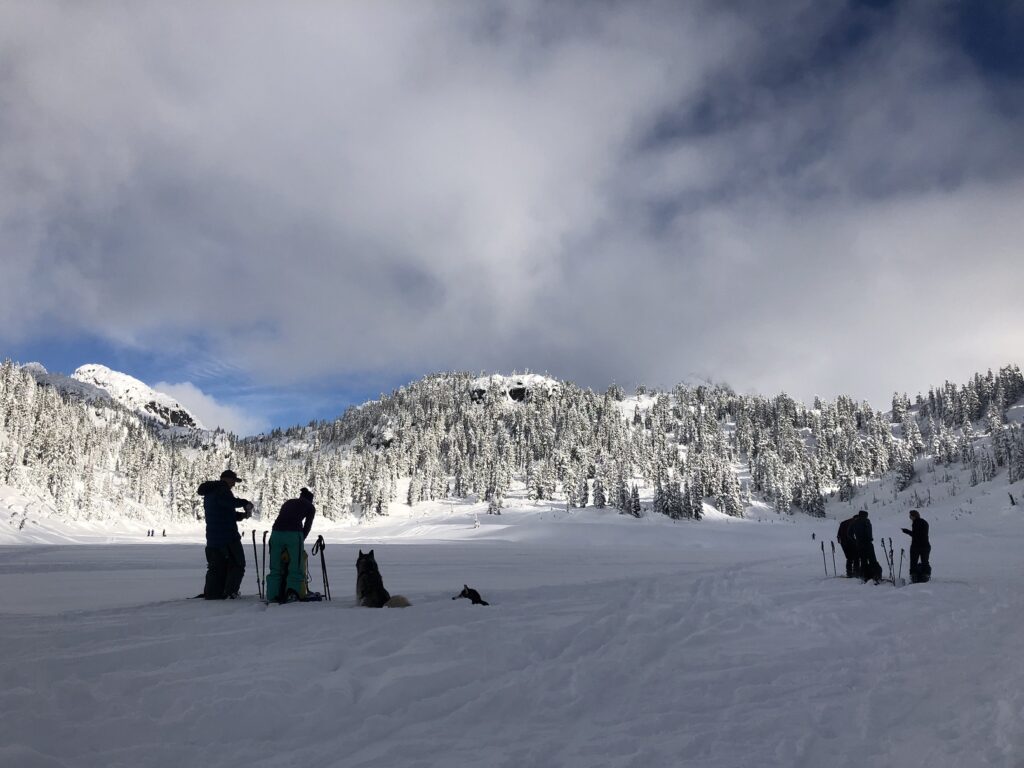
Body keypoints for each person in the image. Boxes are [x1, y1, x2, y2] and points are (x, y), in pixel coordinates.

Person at [197, 469, 253, 599]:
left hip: (212, 538)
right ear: (227, 479)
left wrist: (242, 515)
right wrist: (245, 503)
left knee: (217, 567)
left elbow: (224, 512)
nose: (234, 484)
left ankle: (213, 594)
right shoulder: (222, 490)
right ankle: (229, 592)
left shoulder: (211, 492)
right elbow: (229, 503)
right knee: (238, 564)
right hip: (227, 537)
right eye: (233, 481)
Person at [265, 487, 317, 603]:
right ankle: (293, 593)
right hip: (294, 534)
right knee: (296, 566)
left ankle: (272, 594)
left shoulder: (289, 502)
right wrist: (300, 541)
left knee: (275, 567)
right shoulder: (310, 507)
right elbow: (307, 526)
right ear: (310, 500)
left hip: (276, 533)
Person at [849, 510, 879, 583]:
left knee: (864, 560)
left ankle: (866, 575)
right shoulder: (866, 521)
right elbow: (850, 533)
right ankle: (874, 575)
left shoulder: (856, 522)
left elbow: (849, 533)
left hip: (862, 544)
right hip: (866, 543)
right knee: (871, 560)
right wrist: (856, 541)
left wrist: (855, 541)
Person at [902, 509, 931, 582]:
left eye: (910, 516)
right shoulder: (924, 522)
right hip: (926, 545)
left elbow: (916, 535)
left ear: (914, 516)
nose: (910, 517)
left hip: (916, 546)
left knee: (913, 562)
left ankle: (914, 576)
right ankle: (925, 575)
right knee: (925, 561)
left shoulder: (915, 523)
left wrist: (907, 531)